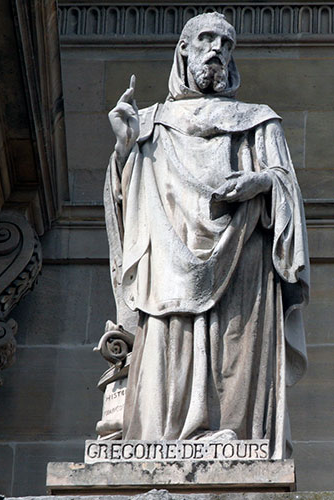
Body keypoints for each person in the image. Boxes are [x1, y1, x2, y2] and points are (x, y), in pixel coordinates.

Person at [105, 12, 309, 459]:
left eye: (226, 43)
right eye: (207, 39)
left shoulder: (259, 122)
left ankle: (234, 436)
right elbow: (125, 207)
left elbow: (287, 188)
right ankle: (161, 440)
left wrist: (261, 183)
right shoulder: (150, 124)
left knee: (232, 351)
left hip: (242, 258)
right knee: (168, 347)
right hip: (168, 261)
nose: (217, 49)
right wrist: (124, 149)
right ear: (184, 49)